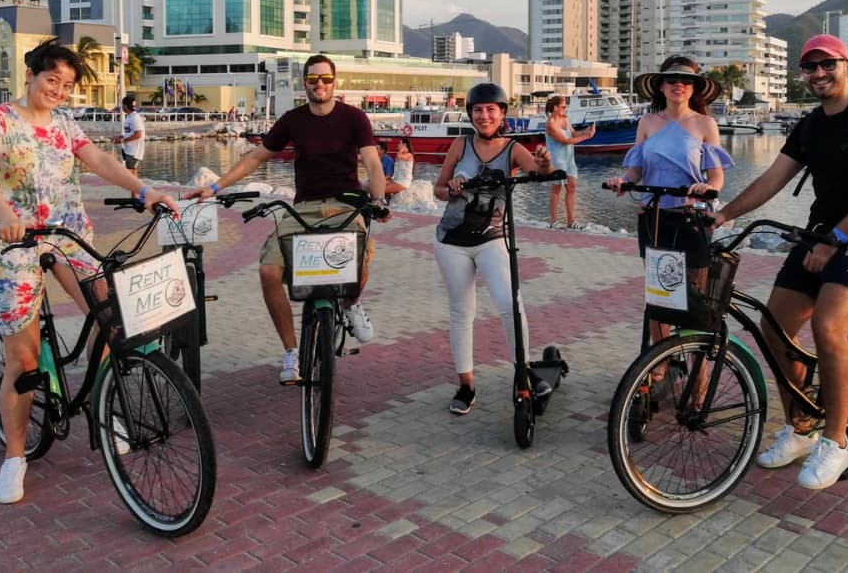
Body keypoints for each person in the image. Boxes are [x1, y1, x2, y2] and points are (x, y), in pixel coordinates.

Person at [0, 38, 178, 505]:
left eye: (66, 86)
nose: (59, 91)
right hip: (15, 243)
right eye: (52, 81)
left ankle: (101, 401)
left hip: (67, 234)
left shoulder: (65, 122)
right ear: (31, 75)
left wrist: (145, 189)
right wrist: (4, 215)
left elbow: (100, 160)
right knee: (23, 362)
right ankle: (15, 456)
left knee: (110, 317)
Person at [709, 34, 848, 490]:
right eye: (809, 67)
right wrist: (723, 215)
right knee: (774, 327)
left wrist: (837, 240)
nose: (818, 73)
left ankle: (836, 443)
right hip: (822, 234)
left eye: (827, 64)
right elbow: (772, 180)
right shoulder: (811, 125)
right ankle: (801, 427)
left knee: (828, 325)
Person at [184, 55, 390, 383]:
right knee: (269, 269)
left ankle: (351, 304)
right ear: (304, 83)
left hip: (345, 204)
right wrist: (214, 187)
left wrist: (377, 200)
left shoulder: (354, 118)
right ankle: (291, 351)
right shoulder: (293, 120)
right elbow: (256, 157)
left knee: (361, 258)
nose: (319, 84)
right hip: (304, 206)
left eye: (325, 79)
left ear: (335, 82)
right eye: (312, 79)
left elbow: (373, 164)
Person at [433, 83, 555, 415]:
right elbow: (438, 190)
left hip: (492, 239)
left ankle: (524, 371)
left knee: (510, 303)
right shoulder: (460, 144)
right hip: (452, 242)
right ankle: (466, 385)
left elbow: (540, 175)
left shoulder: (512, 148)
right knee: (462, 312)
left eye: (491, 110)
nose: (484, 116)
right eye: (477, 110)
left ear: (502, 114)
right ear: (470, 114)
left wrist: (544, 161)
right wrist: (453, 189)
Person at [605, 56, 731, 374]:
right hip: (654, 217)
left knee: (695, 300)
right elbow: (636, 170)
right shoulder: (647, 123)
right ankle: (658, 369)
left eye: (686, 81)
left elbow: (717, 176)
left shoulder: (705, 124)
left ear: (694, 88)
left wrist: (707, 187)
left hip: (690, 218)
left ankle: (698, 380)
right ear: (661, 86)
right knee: (660, 298)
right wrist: (624, 181)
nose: (679, 85)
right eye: (672, 80)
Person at [544, 95, 595, 229]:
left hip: (569, 159)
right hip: (556, 160)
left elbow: (572, 134)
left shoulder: (565, 119)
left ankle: (571, 221)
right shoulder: (550, 124)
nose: (565, 109)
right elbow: (565, 141)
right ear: (555, 108)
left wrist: (586, 131)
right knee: (556, 189)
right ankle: (553, 221)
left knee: (571, 187)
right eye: (563, 106)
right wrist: (586, 137)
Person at [111, 95, 145, 175]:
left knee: (131, 173)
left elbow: (138, 134)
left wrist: (122, 140)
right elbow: (130, 132)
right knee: (131, 172)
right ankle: (135, 187)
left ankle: (136, 187)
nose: (122, 107)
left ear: (125, 106)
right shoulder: (129, 117)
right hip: (129, 150)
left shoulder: (135, 118)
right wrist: (120, 137)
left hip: (134, 151)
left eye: (122, 105)